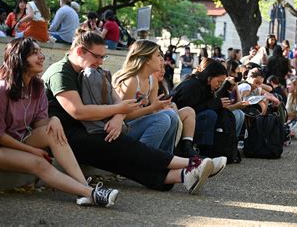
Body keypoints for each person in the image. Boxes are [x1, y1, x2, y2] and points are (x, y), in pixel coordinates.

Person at [42, 29, 226, 195]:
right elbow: (78, 112)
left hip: (87, 130)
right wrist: (119, 110)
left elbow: (117, 101)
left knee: (124, 159)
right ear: (80, 51)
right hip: (66, 135)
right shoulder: (61, 72)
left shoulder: (91, 70)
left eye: (103, 58)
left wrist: (117, 116)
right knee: (125, 148)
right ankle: (192, 164)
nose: (100, 62)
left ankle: (184, 176)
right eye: (97, 57)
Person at [0, 37, 119, 207]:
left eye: (40, 52)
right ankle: (91, 193)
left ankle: (83, 187)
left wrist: (53, 119)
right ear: (18, 58)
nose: (41, 56)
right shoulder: (1, 89)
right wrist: (31, 150)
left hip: (20, 137)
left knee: (54, 131)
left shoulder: (37, 87)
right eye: (34, 53)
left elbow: (39, 122)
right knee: (39, 162)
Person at [111, 40, 179, 154]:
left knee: (171, 115)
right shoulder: (132, 80)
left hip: (137, 123)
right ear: (146, 59)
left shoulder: (152, 79)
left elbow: (152, 110)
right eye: (157, 55)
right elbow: (121, 115)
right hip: (122, 128)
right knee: (163, 119)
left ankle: (165, 158)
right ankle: (141, 160)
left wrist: (161, 107)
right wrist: (151, 108)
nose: (161, 58)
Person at [172, 61, 228, 150]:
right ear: (210, 77)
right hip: (178, 121)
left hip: (188, 118)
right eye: (218, 82)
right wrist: (216, 104)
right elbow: (189, 109)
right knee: (209, 115)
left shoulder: (205, 86)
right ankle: (198, 148)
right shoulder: (193, 86)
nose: (219, 85)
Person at [155, 65, 198, 157]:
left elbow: (169, 101)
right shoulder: (146, 83)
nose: (163, 71)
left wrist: (172, 106)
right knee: (169, 115)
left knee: (189, 111)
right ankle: (170, 152)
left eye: (163, 68)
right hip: (154, 117)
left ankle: (187, 148)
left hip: (166, 113)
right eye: (160, 68)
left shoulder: (164, 84)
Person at [215, 59, 248, 137]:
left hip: (232, 110)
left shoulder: (234, 83)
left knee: (241, 113)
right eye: (236, 72)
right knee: (236, 113)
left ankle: (234, 139)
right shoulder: (223, 85)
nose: (237, 75)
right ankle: (230, 139)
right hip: (223, 112)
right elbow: (222, 107)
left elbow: (239, 101)